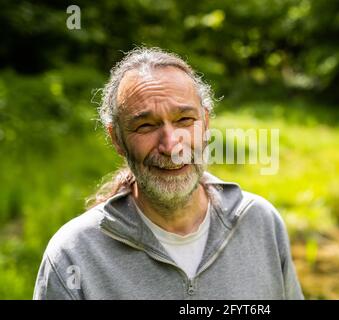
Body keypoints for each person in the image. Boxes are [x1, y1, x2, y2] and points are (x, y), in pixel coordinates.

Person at [33, 47, 304, 300]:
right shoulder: (73, 255)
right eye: (146, 126)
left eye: (184, 120)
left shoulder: (260, 222)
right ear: (116, 139)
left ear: (206, 123)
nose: (171, 145)